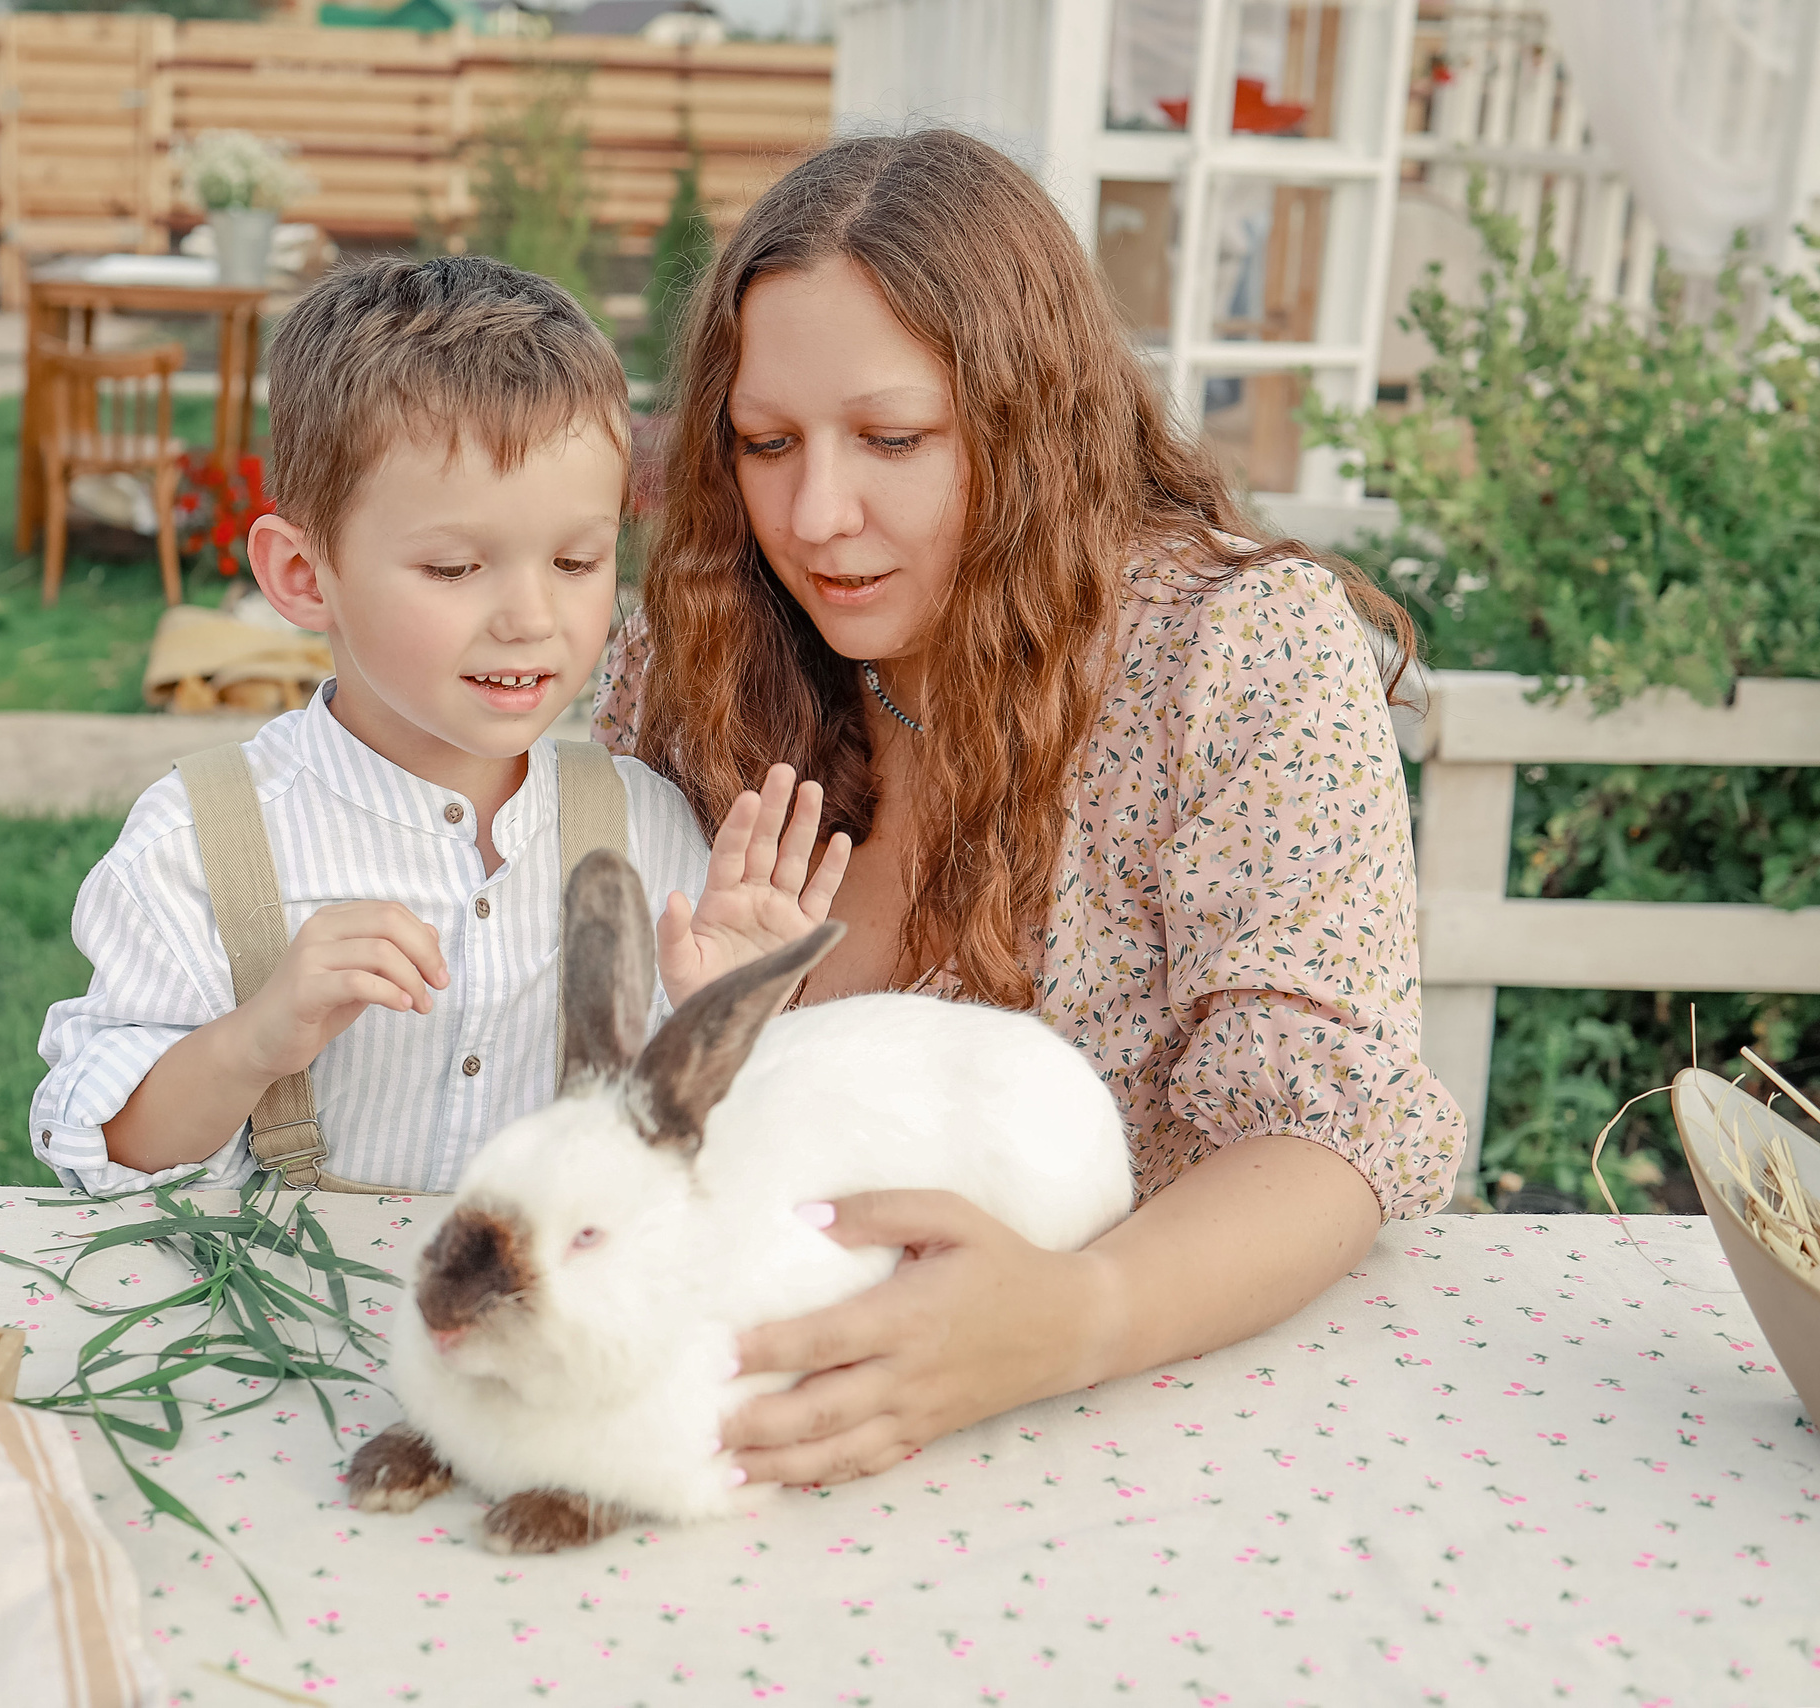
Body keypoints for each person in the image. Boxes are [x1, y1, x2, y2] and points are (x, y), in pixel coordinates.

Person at [593, 131, 1468, 1487]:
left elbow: (1330, 1131)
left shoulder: (1235, 653)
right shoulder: (703, 654)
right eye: (767, 444)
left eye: (893, 438)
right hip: (768, 1429)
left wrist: (1068, 1321)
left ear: (1032, 419)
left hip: (1146, 1439)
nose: (818, 515)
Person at [30, 256, 849, 1196]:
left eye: (577, 561)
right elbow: (104, 1153)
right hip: (273, 1329)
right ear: (303, 576)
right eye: (456, 569)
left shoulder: (645, 837)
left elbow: (697, 1175)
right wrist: (255, 1040)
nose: (530, 617)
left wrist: (723, 1022)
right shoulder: (200, 846)